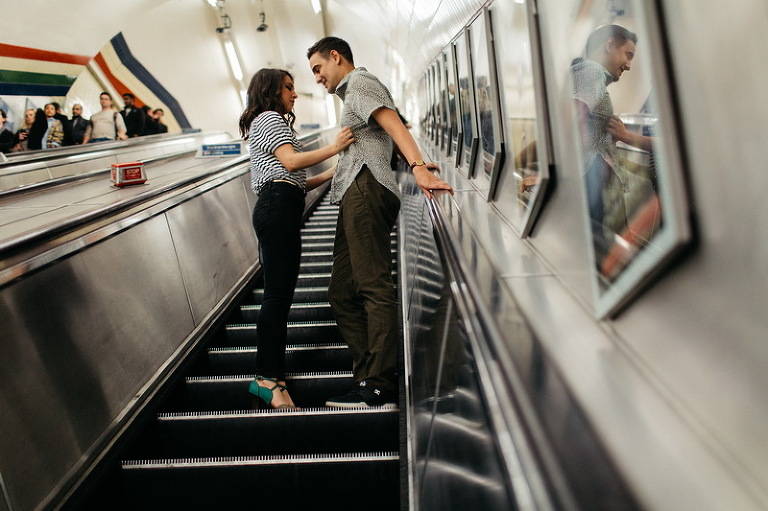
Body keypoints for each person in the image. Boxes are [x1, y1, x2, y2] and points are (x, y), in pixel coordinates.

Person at [306, 36, 453, 408]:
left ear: (336, 57)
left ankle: (378, 384)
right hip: (352, 190)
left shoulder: (360, 83)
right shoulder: (351, 93)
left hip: (367, 189)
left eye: (318, 68)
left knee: (373, 285)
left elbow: (393, 124)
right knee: (341, 293)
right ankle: (371, 374)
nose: (317, 78)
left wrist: (418, 167)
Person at [239, 67, 355, 409]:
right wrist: (335, 147)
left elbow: (298, 182)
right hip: (276, 207)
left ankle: (274, 379)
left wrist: (337, 170)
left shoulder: (273, 123)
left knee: (281, 296)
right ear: (271, 91)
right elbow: (290, 163)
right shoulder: (270, 117)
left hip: (282, 205)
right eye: (288, 87)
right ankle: (265, 378)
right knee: (276, 297)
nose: (294, 93)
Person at [570, 24, 638, 265]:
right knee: (604, 258)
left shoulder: (584, 74)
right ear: (609, 45)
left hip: (592, 185)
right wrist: (557, 170)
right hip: (591, 185)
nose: (629, 65)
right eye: (628, 55)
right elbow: (571, 121)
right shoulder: (591, 72)